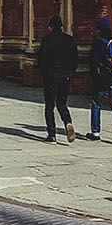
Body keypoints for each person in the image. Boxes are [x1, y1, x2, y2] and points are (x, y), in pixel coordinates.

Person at [36, 15, 78, 144]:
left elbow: (41, 60)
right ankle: (68, 123)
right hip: (65, 76)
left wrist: (44, 75)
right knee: (62, 104)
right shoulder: (69, 40)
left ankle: (52, 135)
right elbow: (75, 59)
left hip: (51, 77)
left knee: (49, 106)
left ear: (50, 27)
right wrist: (70, 73)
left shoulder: (47, 40)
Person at [88, 15, 112, 145]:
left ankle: (95, 132)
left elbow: (93, 63)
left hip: (102, 80)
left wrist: (94, 78)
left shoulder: (98, 43)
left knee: (96, 104)